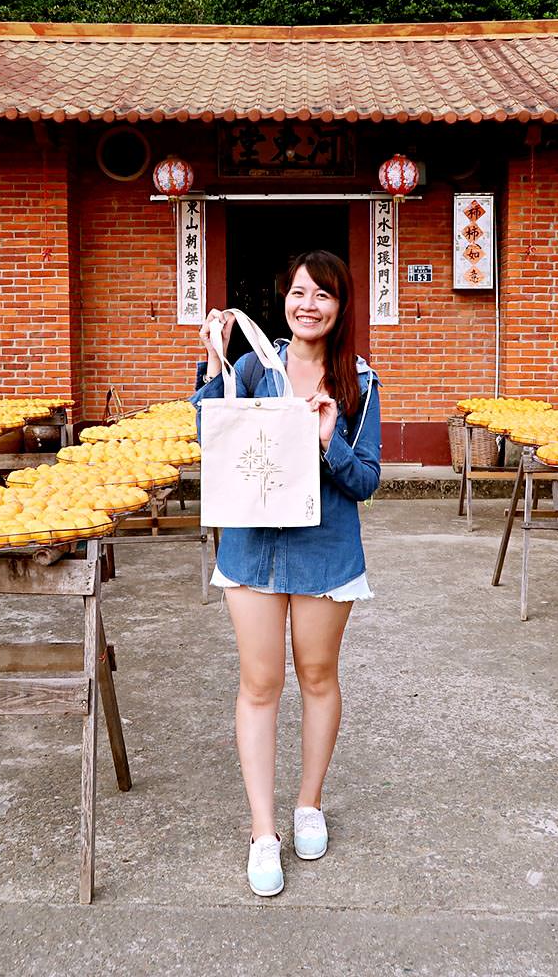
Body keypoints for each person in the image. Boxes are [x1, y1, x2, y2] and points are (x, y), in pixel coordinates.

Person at [190, 249, 382, 897]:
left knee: (319, 676)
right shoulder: (251, 366)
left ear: (340, 306)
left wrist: (330, 440)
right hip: (251, 548)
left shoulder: (358, 380)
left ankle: (309, 804)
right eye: (300, 292)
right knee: (260, 682)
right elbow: (208, 438)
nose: (308, 305)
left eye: (323, 296)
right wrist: (214, 365)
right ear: (285, 298)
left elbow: (368, 481)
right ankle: (262, 830)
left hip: (326, 548)